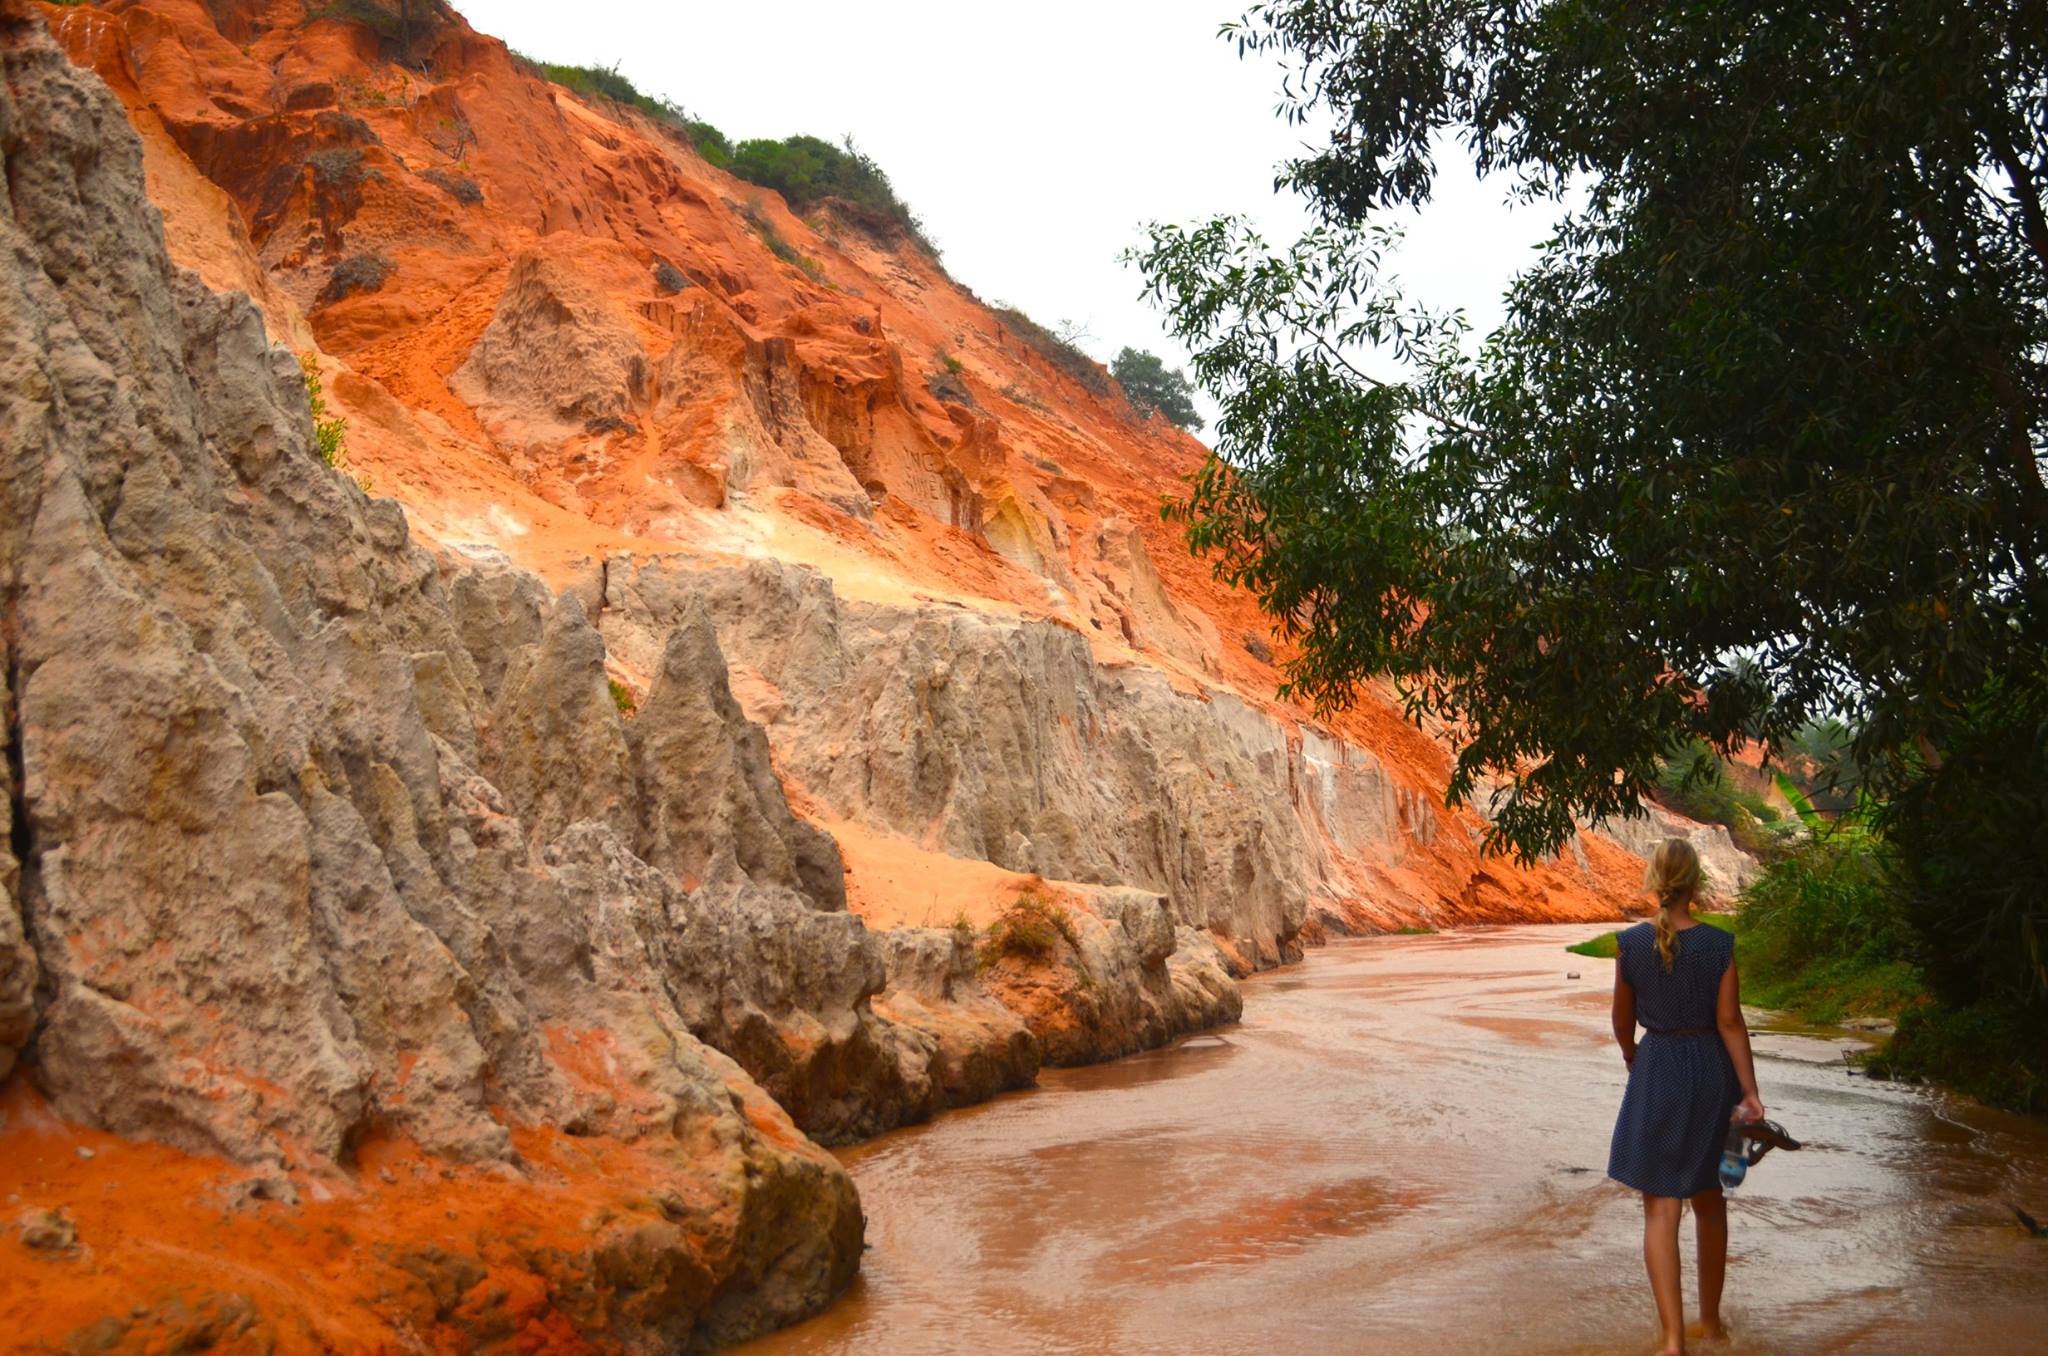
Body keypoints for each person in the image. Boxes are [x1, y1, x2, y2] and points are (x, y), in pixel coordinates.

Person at [1607, 838, 1763, 1354]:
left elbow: (1621, 1023)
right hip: (1712, 1073)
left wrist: (1634, 1054)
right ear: (1696, 884)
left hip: (1657, 1070)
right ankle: (1713, 1328)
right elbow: (1730, 1022)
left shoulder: (1629, 944)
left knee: (1660, 1210)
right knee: (1710, 1201)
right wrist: (1750, 1092)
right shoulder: (1720, 945)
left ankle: (1674, 1341)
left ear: (1654, 882)